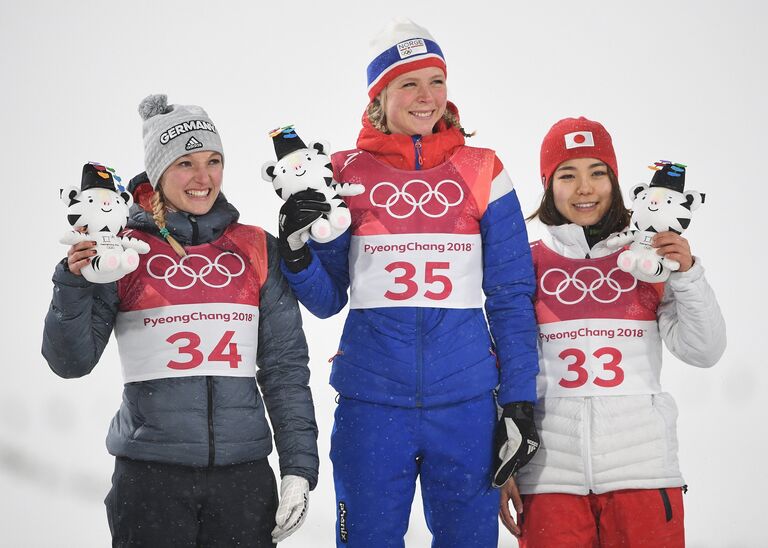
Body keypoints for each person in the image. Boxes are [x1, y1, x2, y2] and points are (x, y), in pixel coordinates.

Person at [276, 18, 540, 548]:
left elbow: (511, 296)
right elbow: (328, 301)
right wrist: (296, 250)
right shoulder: (343, 173)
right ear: (380, 94)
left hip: (465, 407)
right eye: (409, 83)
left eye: (436, 81)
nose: (427, 97)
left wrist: (518, 403)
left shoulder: (483, 169)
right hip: (372, 405)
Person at [42, 94, 319, 547]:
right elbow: (70, 362)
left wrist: (298, 469)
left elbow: (285, 369)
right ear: (158, 172)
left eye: (213, 161)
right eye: (185, 163)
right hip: (151, 477)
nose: (203, 177)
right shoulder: (122, 253)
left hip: (243, 479)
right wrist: (73, 282)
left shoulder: (255, 248)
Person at [499, 117, 727, 546]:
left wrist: (687, 274)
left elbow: (704, 350)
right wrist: (502, 463)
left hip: (643, 472)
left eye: (597, 173)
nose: (585, 188)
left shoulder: (650, 259)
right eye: (568, 175)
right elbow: (502, 367)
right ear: (548, 185)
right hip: (549, 480)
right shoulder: (524, 264)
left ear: (617, 182)